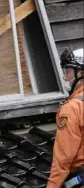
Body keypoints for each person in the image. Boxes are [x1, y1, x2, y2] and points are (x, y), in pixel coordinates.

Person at [46, 48, 84, 188]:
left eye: (67, 71)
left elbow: (64, 157)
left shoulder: (72, 108)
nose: (65, 78)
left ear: (81, 73)